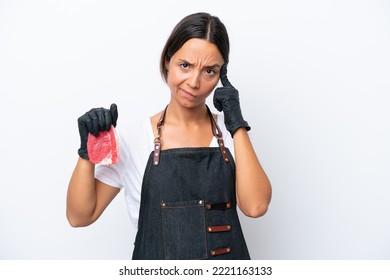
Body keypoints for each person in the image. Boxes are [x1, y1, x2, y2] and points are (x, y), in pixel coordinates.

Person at [67, 12, 272, 260]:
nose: (194, 82)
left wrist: (237, 124)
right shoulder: (134, 138)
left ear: (221, 75)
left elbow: (256, 206)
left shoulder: (232, 136)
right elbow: (80, 216)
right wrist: (87, 154)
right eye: (185, 65)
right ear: (167, 61)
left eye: (209, 71)